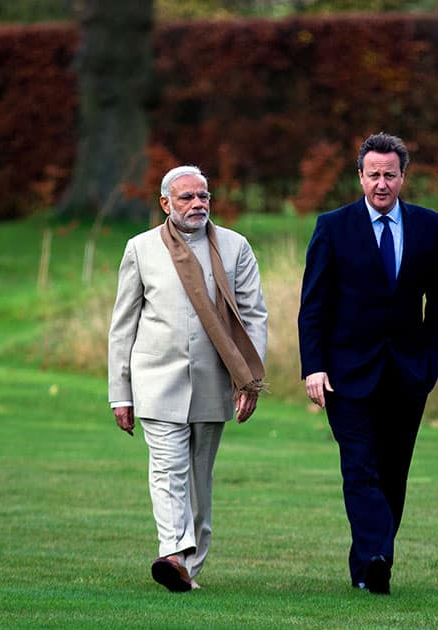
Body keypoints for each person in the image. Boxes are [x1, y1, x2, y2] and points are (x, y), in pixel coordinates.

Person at [297, 133, 438, 595]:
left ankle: (368, 563)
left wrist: (431, 364)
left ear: (403, 176)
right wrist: (314, 366)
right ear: (360, 176)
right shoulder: (333, 226)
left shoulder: (429, 226)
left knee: (392, 473)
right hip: (346, 376)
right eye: (373, 175)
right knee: (359, 468)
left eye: (390, 174)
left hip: (408, 375)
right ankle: (378, 556)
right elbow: (314, 306)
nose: (381, 183)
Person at [108, 165, 268, 592]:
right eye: (186, 198)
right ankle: (172, 553)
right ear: (165, 204)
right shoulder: (140, 249)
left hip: (215, 381)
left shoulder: (235, 247)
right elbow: (123, 325)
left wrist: (249, 380)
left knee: (199, 477)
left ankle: (188, 566)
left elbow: (253, 316)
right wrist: (119, 393)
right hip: (156, 382)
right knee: (167, 470)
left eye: (203, 196)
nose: (198, 204)